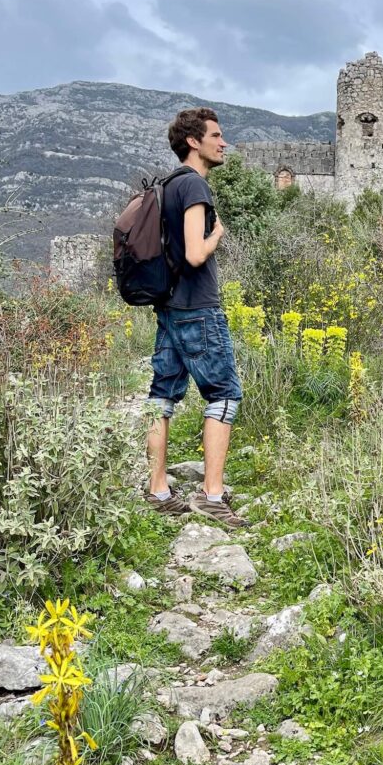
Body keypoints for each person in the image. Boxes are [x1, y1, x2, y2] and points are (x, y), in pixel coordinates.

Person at [144, 107, 247, 529]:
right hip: (198, 309)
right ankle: (212, 494)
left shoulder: (166, 185)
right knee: (224, 396)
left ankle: (158, 490)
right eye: (216, 136)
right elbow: (193, 253)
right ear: (194, 142)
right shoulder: (194, 187)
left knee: (162, 397)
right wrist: (217, 234)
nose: (223, 143)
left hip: (168, 307)